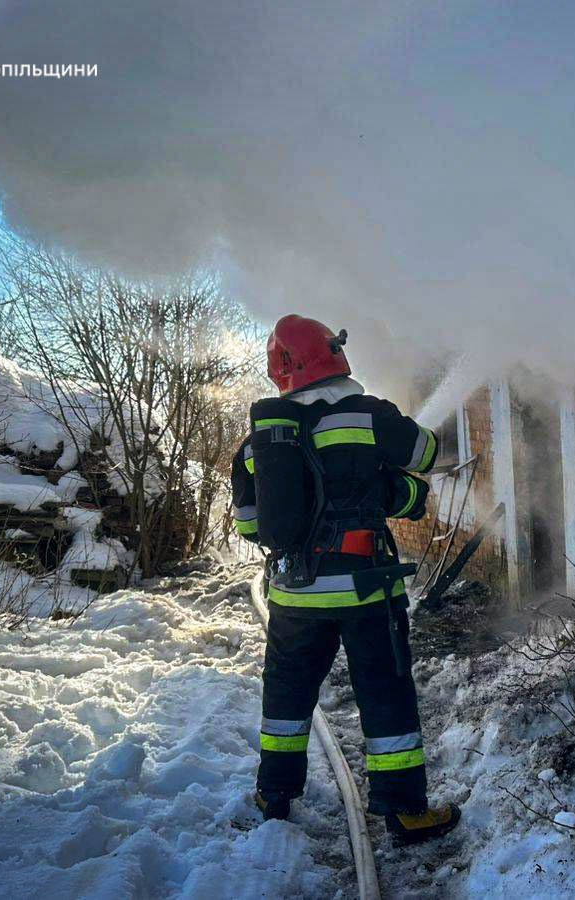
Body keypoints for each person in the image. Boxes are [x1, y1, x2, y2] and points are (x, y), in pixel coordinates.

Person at [230, 314, 460, 845]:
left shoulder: (257, 443)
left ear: (280, 371)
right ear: (333, 353)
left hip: (294, 595)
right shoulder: (368, 415)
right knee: (385, 692)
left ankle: (275, 794)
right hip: (367, 588)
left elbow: (249, 526)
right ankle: (404, 810)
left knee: (286, 695)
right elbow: (427, 453)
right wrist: (383, 485)